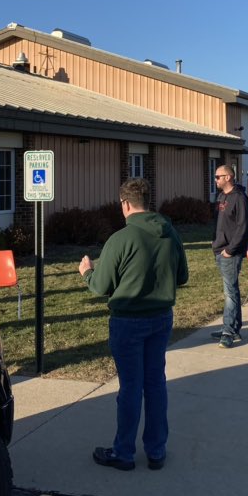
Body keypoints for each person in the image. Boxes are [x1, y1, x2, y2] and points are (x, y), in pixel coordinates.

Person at [78, 178, 188, 471]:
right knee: (155, 383)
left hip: (128, 321)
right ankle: (156, 450)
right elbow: (182, 276)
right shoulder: (170, 233)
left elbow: (101, 286)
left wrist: (87, 273)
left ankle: (124, 452)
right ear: (148, 202)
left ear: (125, 204)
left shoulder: (120, 239)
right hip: (162, 317)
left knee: (130, 387)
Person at [210, 165, 248, 347]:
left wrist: (230, 250)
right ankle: (233, 327)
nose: (215, 179)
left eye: (218, 176)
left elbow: (243, 228)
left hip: (230, 252)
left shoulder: (239, 198)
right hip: (220, 249)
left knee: (230, 293)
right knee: (231, 291)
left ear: (228, 177)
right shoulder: (222, 197)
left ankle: (229, 331)